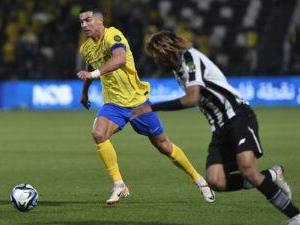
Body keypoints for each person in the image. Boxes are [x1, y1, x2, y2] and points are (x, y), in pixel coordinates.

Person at [131, 30, 300, 224]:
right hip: (219, 127)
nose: (155, 59)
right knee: (215, 181)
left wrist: (151, 107)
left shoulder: (190, 58)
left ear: (164, 50)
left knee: (248, 169)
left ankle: (295, 216)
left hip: (237, 115)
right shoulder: (178, 72)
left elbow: (192, 98)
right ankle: (271, 175)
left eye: (155, 54)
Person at [76, 6, 214, 205]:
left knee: (164, 146)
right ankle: (119, 185)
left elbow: (120, 59)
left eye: (88, 20)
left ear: (100, 20)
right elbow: (91, 64)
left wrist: (94, 75)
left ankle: (198, 180)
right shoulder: (86, 47)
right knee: (98, 133)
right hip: (114, 103)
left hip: (137, 102)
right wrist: (84, 92)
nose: (84, 25)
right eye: (81, 22)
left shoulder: (114, 36)